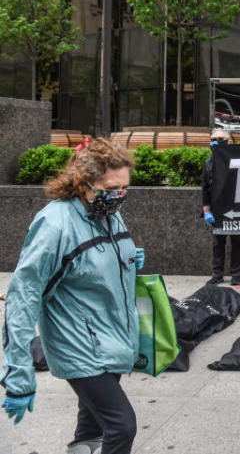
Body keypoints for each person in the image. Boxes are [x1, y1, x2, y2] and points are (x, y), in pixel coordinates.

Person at [2, 137, 143, 454]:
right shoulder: (56, 224)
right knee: (122, 426)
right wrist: (18, 372)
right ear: (83, 182)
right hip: (80, 345)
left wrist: (129, 257)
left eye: (124, 188)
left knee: (92, 428)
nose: (118, 196)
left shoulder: (108, 211)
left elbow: (93, 261)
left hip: (112, 338)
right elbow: (23, 297)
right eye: (110, 189)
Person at [201, 129, 240, 286]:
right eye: (215, 139)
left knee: (237, 242)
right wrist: (207, 211)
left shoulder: (237, 160)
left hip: (235, 207)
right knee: (218, 243)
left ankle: (236, 274)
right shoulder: (209, 163)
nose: (218, 141)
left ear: (229, 141)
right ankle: (217, 274)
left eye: (221, 138)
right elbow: (205, 188)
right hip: (217, 209)